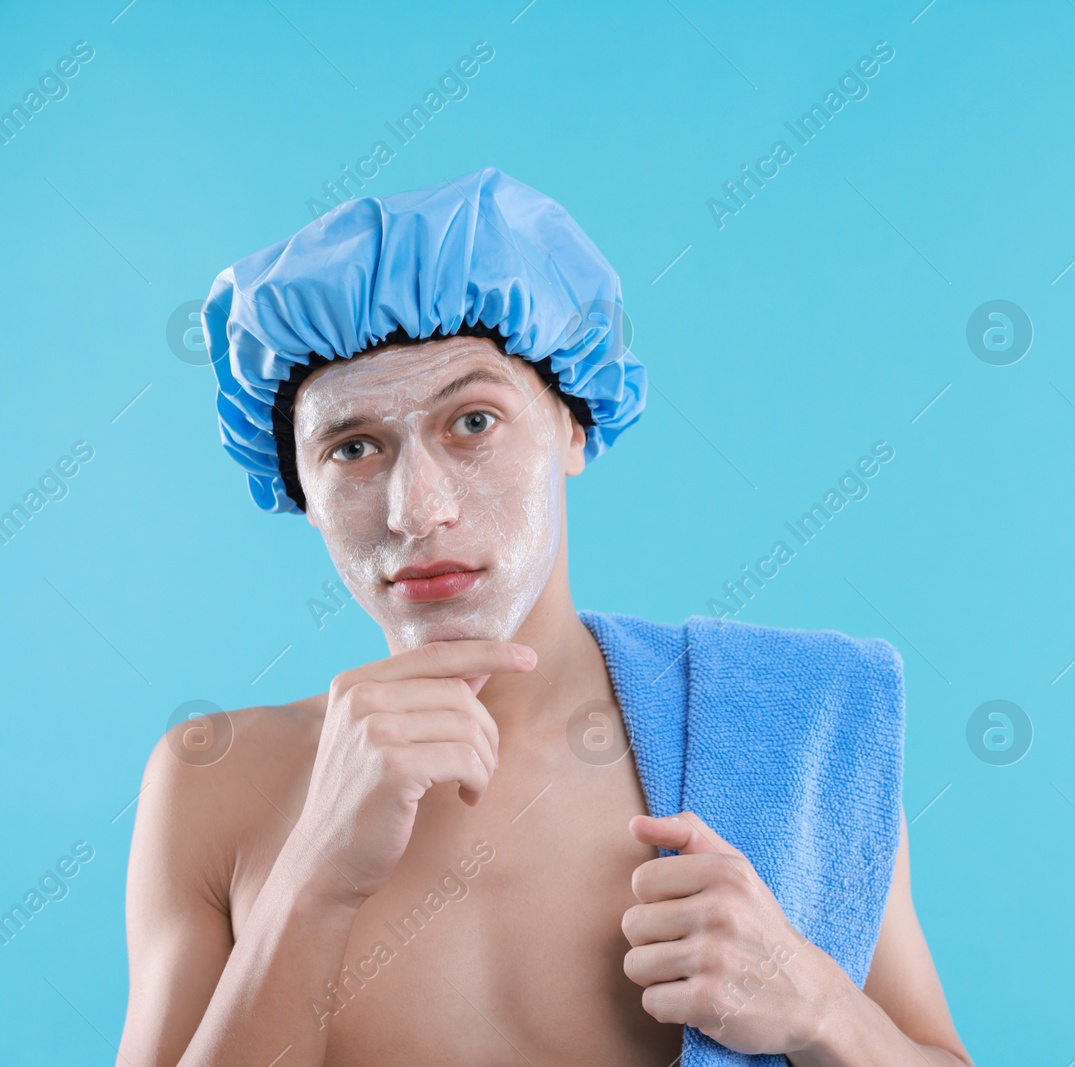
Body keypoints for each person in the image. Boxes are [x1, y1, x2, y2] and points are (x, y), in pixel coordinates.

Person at [117, 168, 972, 1067]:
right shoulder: (215, 784)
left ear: (574, 425)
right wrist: (313, 879)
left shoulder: (792, 730)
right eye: (353, 446)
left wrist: (823, 1009)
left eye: (473, 421)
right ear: (300, 488)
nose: (418, 508)